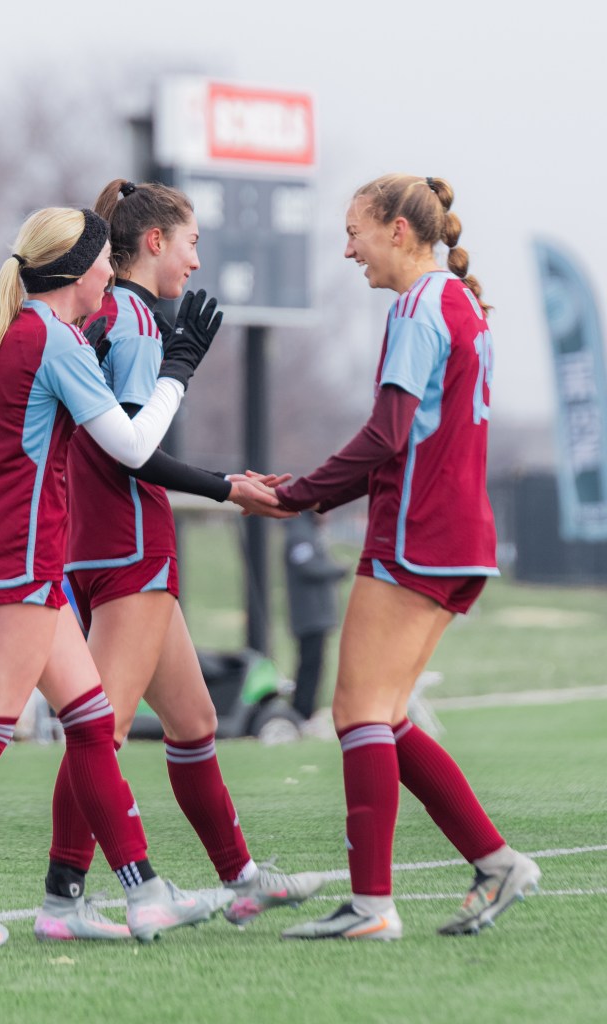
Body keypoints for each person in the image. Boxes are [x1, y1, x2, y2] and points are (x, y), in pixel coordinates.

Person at [0, 205, 234, 950]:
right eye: (102, 262)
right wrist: (179, 373)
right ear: (85, 271)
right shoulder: (51, 338)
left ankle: (134, 895)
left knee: (90, 726)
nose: (109, 273)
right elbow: (131, 445)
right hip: (18, 561)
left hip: (24, 560)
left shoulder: (26, 331)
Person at [265, 174, 541, 941]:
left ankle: (371, 905)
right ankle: (496, 863)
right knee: (383, 716)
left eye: (354, 231)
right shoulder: (460, 304)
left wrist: (297, 495)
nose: (346, 248)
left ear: (397, 229)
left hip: (418, 534)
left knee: (356, 712)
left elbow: (388, 436)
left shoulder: (420, 308)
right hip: (460, 538)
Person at [59, 178, 326, 932]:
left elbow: (124, 446)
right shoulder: (139, 321)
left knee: (195, 720)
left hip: (100, 539)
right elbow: (138, 454)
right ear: (154, 243)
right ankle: (64, 897)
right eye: (192, 243)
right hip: (129, 542)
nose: (197, 262)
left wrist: (223, 482)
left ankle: (241, 878)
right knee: (98, 728)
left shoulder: (106, 312)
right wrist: (225, 488)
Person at [282, 511, 349, 725]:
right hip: (309, 614)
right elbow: (308, 567)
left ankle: (305, 712)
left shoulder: (308, 531)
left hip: (316, 615)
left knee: (314, 665)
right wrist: (337, 569)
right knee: (309, 666)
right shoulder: (300, 533)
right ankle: (301, 714)